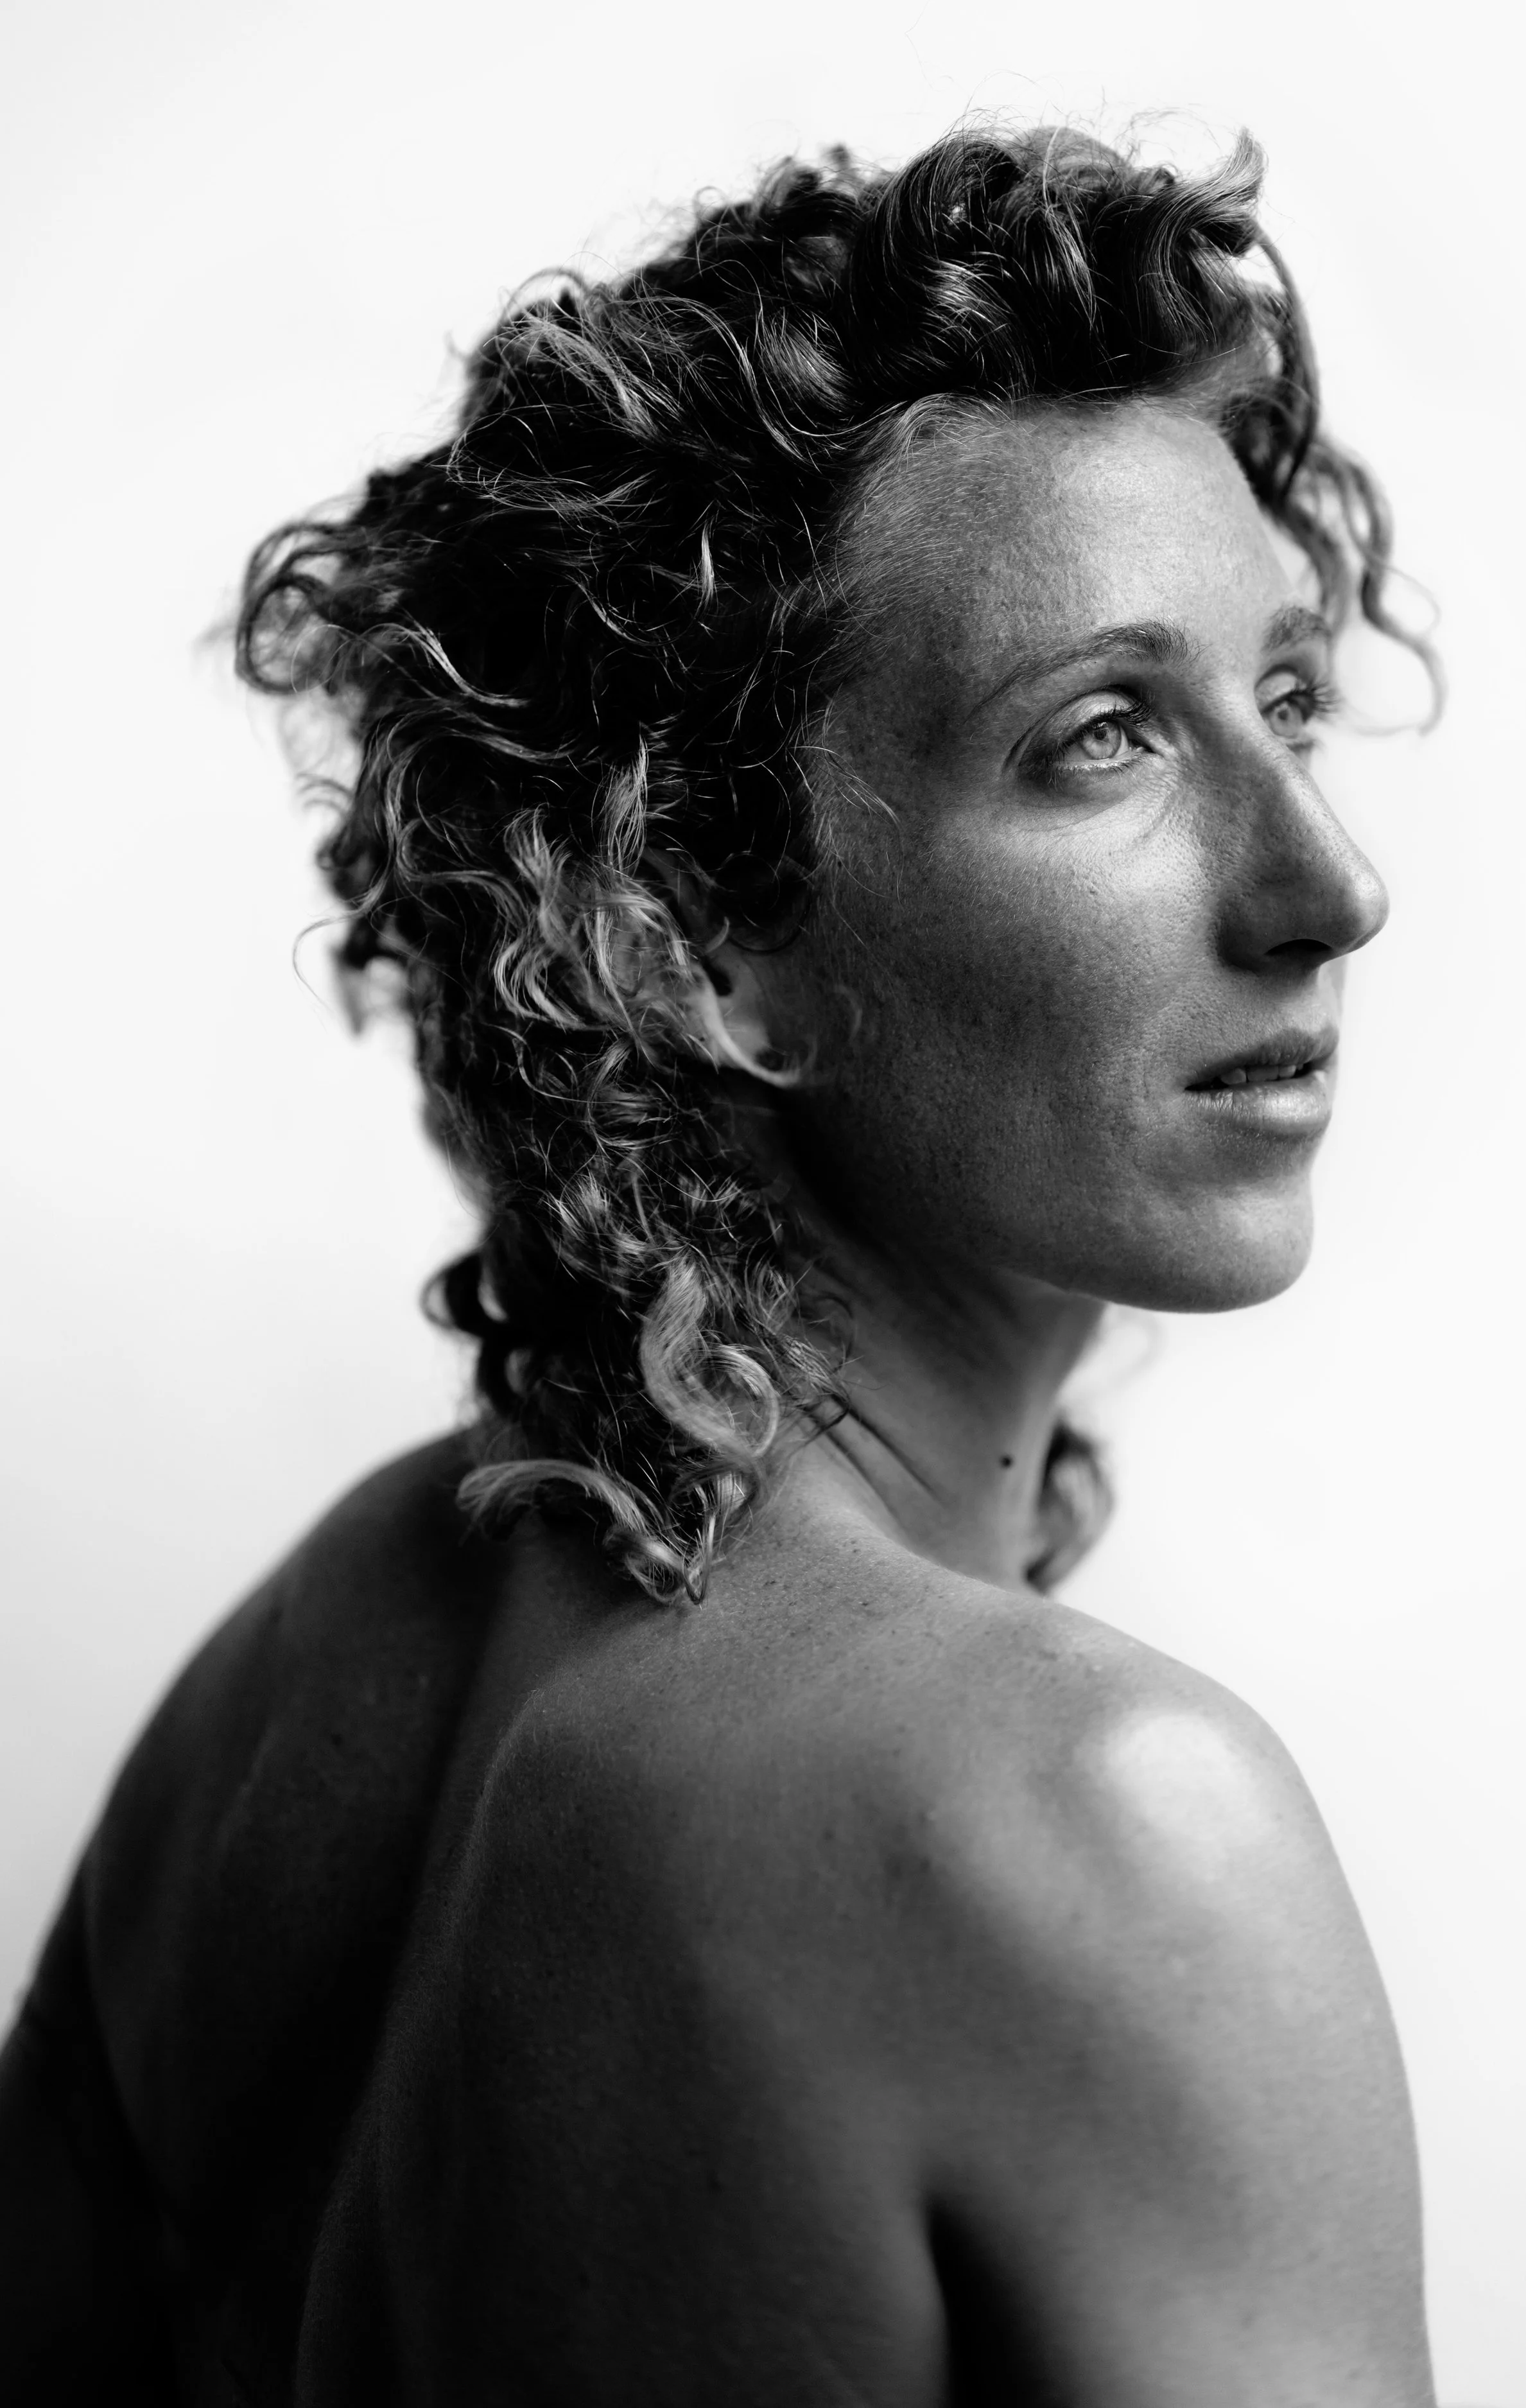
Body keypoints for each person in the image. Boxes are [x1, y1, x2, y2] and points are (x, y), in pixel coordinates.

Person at [0, 123, 1441, 2404]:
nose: (1326, 881)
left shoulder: (293, 1686)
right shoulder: (1086, 1831)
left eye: (1280, 693)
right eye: (1099, 736)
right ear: (701, 942)